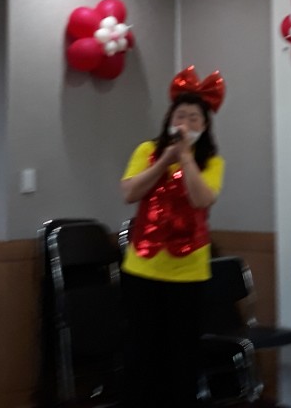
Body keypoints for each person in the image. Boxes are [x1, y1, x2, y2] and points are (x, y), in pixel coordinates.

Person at [119, 67, 225, 408]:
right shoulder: (146, 151)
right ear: (169, 119)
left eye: (194, 118)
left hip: (188, 272)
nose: (186, 123)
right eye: (180, 116)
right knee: (140, 351)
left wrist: (186, 159)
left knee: (182, 355)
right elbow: (130, 193)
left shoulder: (212, 162)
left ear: (204, 126)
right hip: (142, 268)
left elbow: (202, 199)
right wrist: (165, 158)